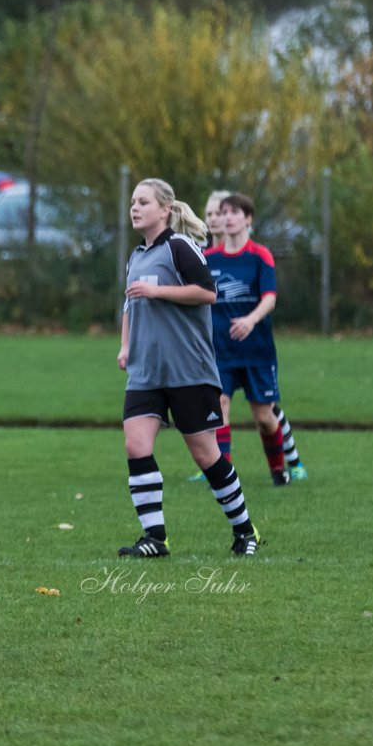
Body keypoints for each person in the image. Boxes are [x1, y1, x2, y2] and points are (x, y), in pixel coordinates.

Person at [116, 178, 262, 558]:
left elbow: (208, 292)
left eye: (143, 202)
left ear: (165, 209)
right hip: (146, 371)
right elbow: (130, 306)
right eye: (133, 201)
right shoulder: (136, 256)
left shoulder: (180, 247)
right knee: (136, 444)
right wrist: (125, 346)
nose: (135, 208)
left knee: (205, 454)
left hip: (188, 370)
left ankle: (245, 531)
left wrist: (159, 291)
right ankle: (155, 538)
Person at [188, 191, 308, 483]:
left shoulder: (259, 255)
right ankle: (223, 476)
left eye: (233, 213)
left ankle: (278, 470)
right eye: (223, 212)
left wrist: (251, 320)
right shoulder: (208, 258)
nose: (227, 218)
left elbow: (269, 298)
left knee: (264, 418)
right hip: (221, 351)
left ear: (248, 219)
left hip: (257, 351)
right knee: (221, 408)